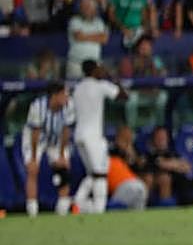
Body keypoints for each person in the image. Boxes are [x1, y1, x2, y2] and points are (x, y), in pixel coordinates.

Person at [71, 60, 126, 213]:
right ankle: (99, 209)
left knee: (92, 174)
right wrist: (112, 78)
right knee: (100, 174)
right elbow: (123, 95)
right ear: (94, 70)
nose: (101, 71)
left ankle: (77, 203)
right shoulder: (100, 85)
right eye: (99, 68)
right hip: (94, 137)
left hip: (79, 135)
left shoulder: (77, 88)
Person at [22, 80, 75, 217]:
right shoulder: (37, 106)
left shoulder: (69, 105)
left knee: (64, 170)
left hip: (56, 139)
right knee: (33, 170)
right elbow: (35, 133)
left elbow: (66, 131)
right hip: (35, 140)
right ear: (55, 95)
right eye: (63, 94)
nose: (66, 96)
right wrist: (34, 158)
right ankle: (32, 210)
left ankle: (62, 210)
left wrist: (62, 155)